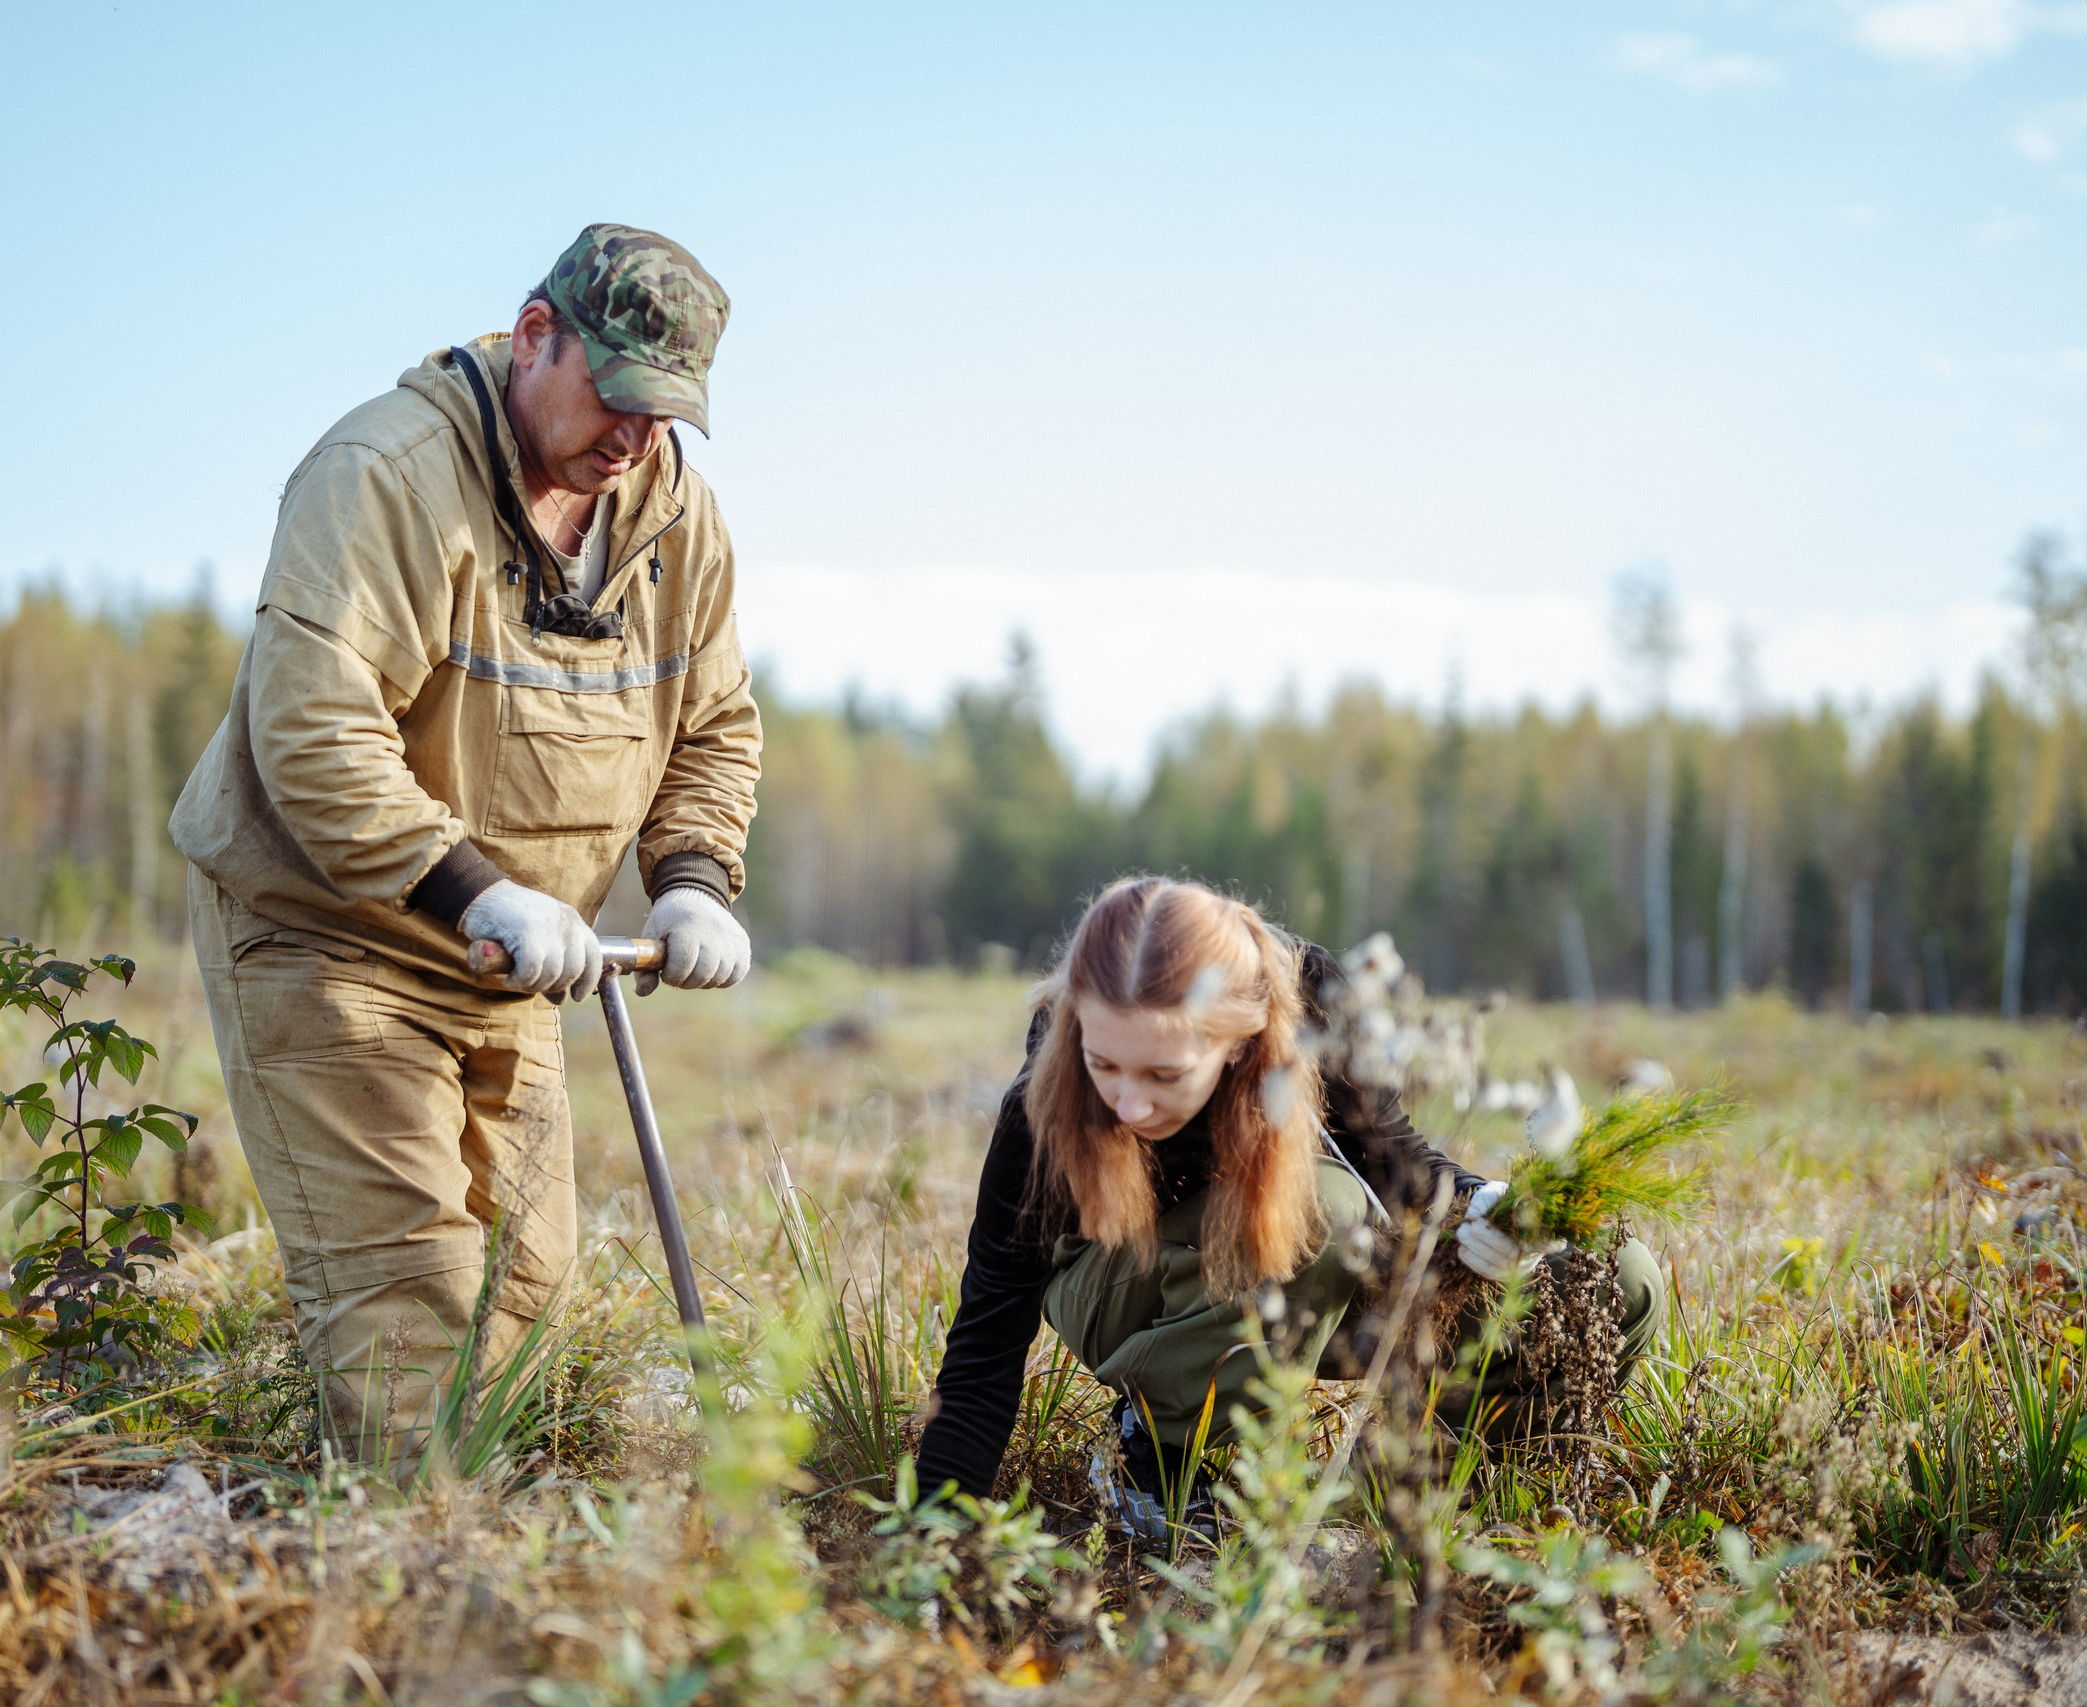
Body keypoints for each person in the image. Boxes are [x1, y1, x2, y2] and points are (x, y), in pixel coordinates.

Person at [170, 224, 760, 1469]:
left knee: (525, 1285)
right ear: (534, 336)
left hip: (514, 959)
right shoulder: (383, 475)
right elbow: (315, 731)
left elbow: (711, 725)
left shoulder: (675, 518)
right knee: (407, 1294)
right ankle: (404, 1564)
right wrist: (475, 892)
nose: (633, 438)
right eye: (614, 395)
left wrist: (693, 881)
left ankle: (494, 1551)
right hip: (335, 936)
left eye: (663, 414)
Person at [913, 877, 1665, 1523]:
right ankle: (1157, 1454)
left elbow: (1393, 1164)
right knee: (1321, 1209)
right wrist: (935, 1533)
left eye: (1165, 1075)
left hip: (1291, 1273)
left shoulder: (1313, 1004)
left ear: (1240, 1039)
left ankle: (1402, 1486)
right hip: (1121, 1283)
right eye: (1104, 1064)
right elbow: (987, 1339)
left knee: (1613, 1272)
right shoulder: (1043, 1105)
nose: (1130, 1104)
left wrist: (1486, 1209)